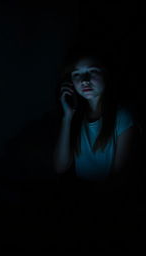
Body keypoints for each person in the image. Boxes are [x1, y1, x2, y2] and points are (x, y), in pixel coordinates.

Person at [53, 49, 136, 184]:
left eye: (92, 71)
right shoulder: (76, 117)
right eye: (77, 74)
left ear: (106, 74)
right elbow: (60, 167)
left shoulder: (122, 117)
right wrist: (67, 117)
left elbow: (119, 175)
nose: (84, 81)